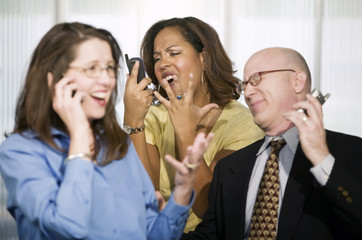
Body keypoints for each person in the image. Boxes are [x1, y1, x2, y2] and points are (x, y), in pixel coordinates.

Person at [0, 22, 214, 240]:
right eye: (91, 68)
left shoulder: (120, 145)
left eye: (110, 69)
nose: (106, 80)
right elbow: (68, 226)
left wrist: (181, 192)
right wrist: (80, 137)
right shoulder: (20, 151)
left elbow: (153, 234)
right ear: (56, 78)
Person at [182, 47, 362, 240]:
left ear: (297, 81)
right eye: (244, 85)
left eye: (256, 78)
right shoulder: (229, 168)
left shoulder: (355, 153)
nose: (247, 92)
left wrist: (321, 159)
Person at [123, 17, 264, 232]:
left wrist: (185, 132)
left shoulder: (243, 124)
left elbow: (210, 208)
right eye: (157, 57)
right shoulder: (153, 117)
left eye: (173, 53)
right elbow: (145, 201)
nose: (162, 63)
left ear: (204, 58)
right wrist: (133, 120)